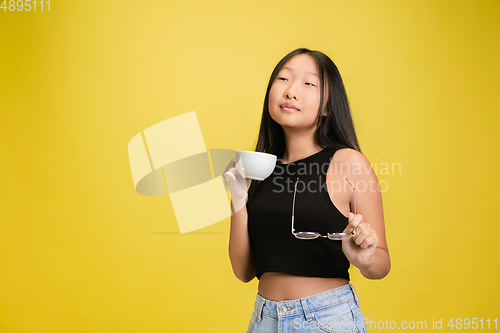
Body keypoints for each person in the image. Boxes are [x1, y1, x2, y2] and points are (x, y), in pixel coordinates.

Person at [223, 48, 390, 333]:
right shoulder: (260, 169)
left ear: (327, 106)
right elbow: (244, 272)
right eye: (283, 79)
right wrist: (238, 200)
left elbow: (381, 264)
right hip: (264, 319)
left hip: (327, 319)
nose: (291, 91)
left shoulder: (349, 163)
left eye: (308, 83)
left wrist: (364, 259)